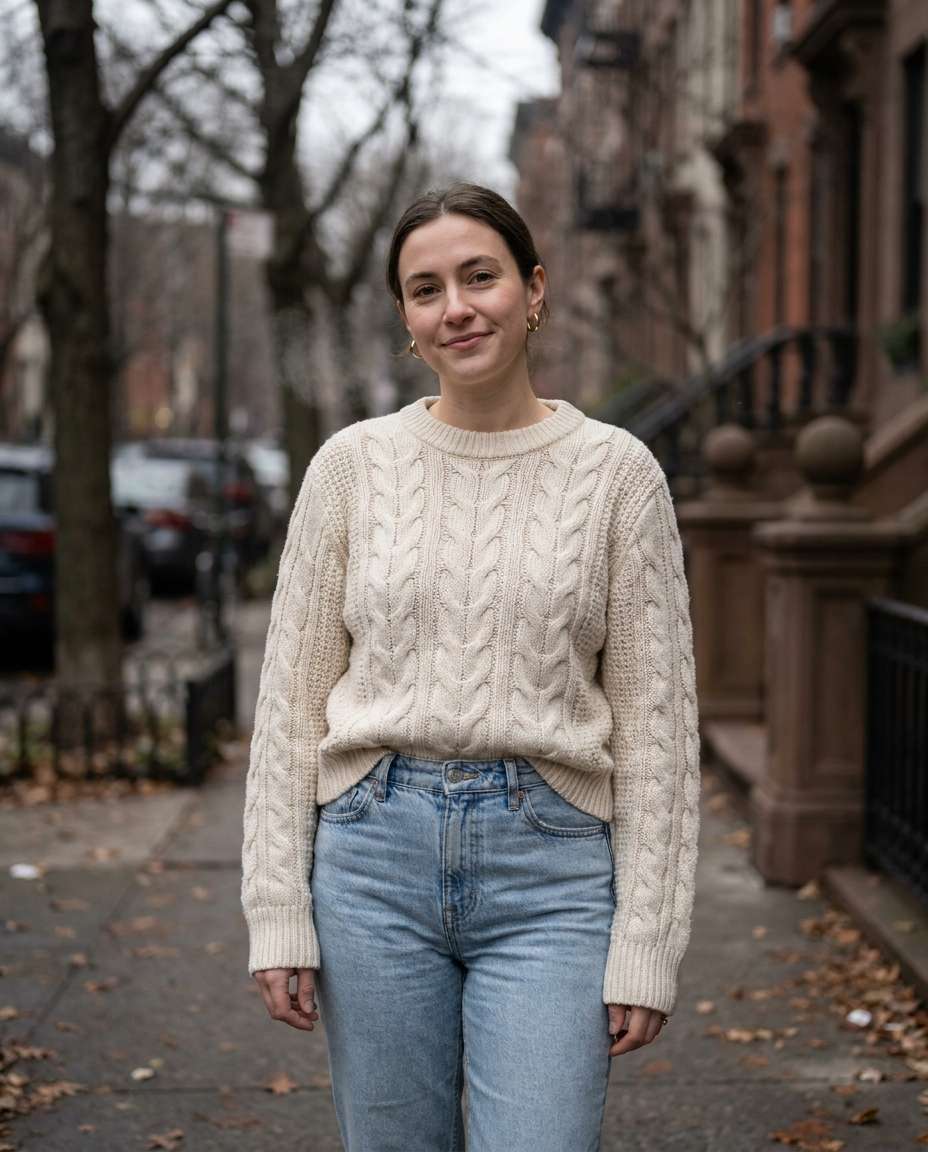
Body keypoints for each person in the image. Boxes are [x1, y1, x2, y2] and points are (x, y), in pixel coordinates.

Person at [241, 182, 700, 1151]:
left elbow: (657, 728)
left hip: (553, 869)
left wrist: (645, 943)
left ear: (532, 290)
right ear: (406, 319)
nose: (456, 306)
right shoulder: (350, 470)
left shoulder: (618, 475)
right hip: (369, 861)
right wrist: (278, 909)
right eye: (425, 289)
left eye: (479, 276)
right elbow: (289, 706)